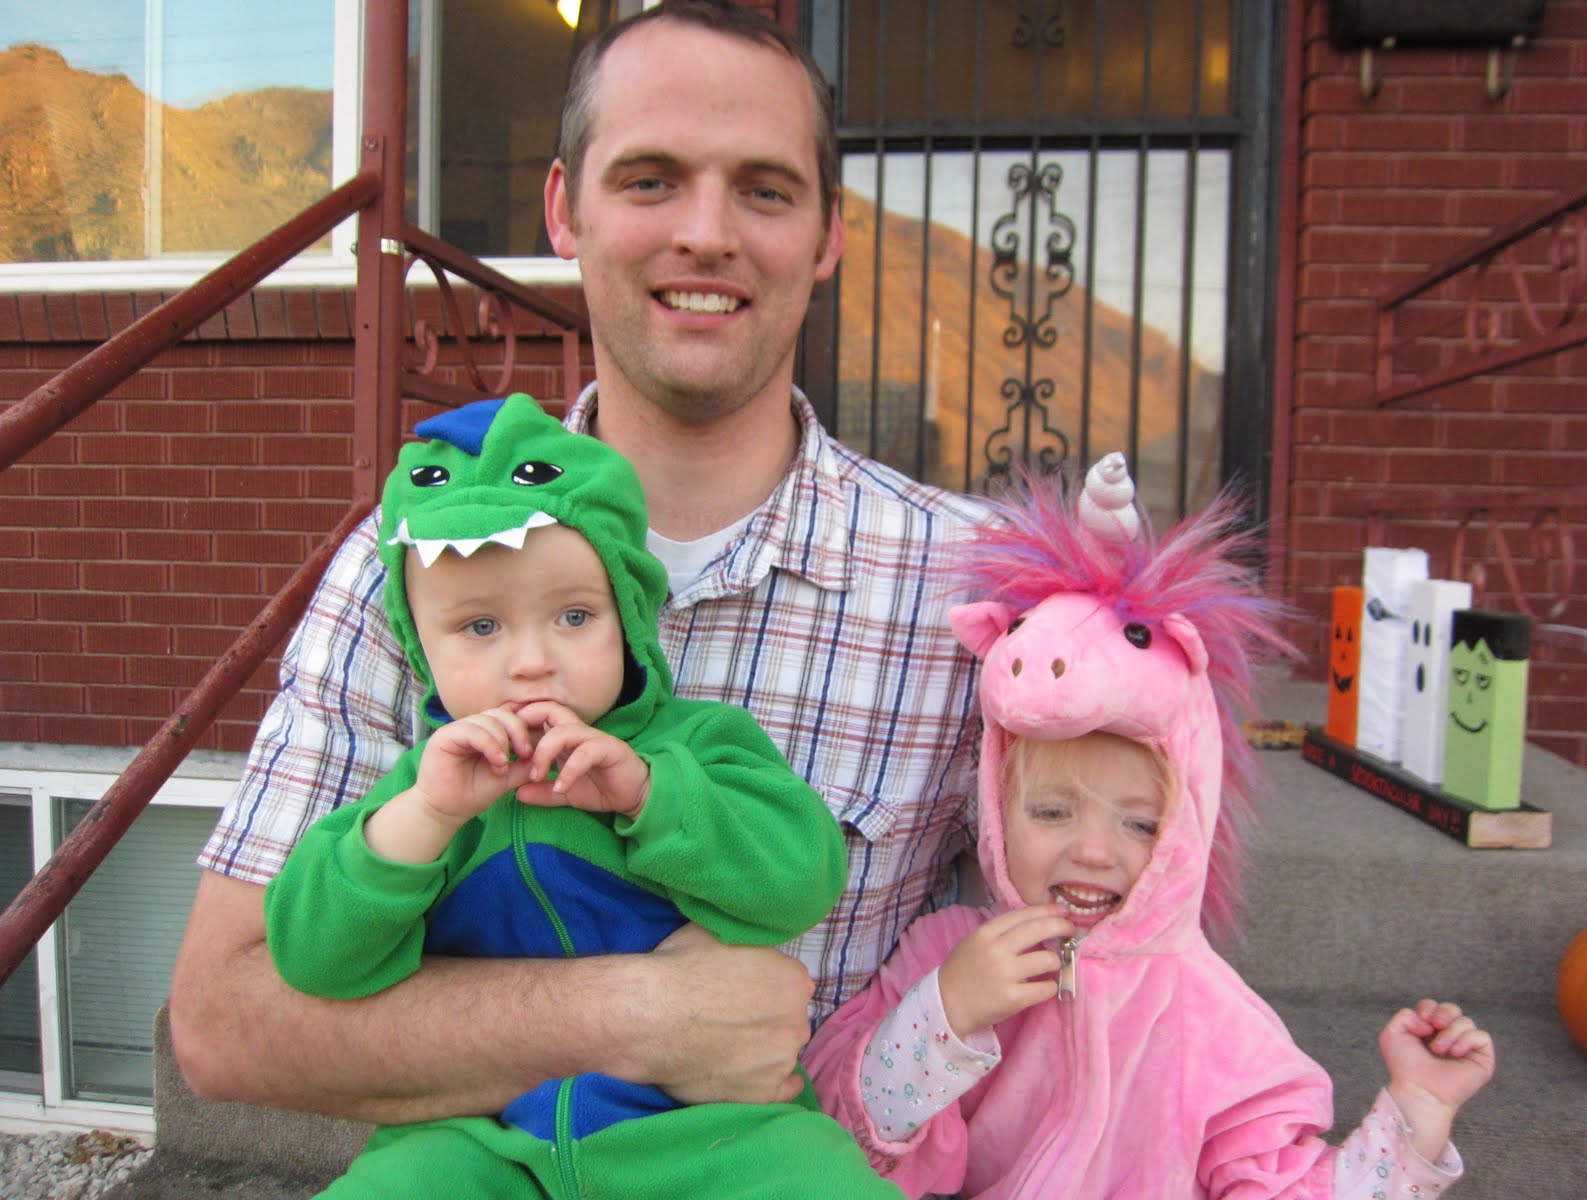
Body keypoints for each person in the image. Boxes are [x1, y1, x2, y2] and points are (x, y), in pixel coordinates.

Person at [169, 0, 989, 1125]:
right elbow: (222, 1016)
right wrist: (637, 1016)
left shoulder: (968, 592)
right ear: (565, 210)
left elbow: (1097, 986)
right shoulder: (413, 564)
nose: (707, 233)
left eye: (764, 190)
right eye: (650, 180)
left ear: (828, 233)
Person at [263, 394, 901, 1197]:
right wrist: (423, 817)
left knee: (817, 1172)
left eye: (573, 616)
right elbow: (313, 957)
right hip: (481, 1142)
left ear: (628, 616)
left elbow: (802, 881)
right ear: (421, 649)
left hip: (706, 1136)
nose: (532, 661)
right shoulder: (427, 792)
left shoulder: (696, 745)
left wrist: (651, 796)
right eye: (481, 627)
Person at [802, 473, 1497, 1198]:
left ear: (1184, 833)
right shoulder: (949, 955)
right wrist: (945, 1015)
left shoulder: (1207, 1016)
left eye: (1139, 824)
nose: (1093, 851)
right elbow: (837, 1134)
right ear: (997, 812)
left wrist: (1419, 1109)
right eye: (1053, 813)